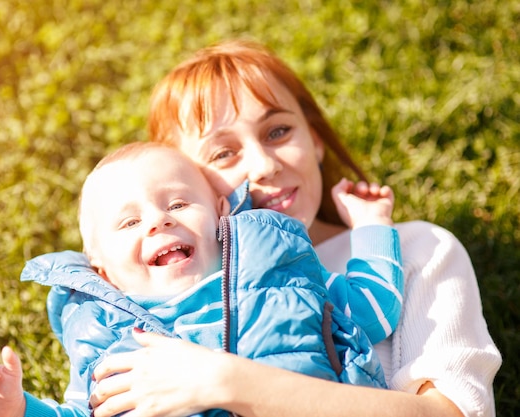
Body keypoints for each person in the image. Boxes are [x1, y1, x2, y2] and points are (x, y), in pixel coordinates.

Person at [87, 40, 502, 417]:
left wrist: (224, 382)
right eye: (224, 153)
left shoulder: (416, 250)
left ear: (315, 139)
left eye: (278, 131)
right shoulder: (153, 291)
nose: (265, 165)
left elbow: (452, 414)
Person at [0, 141, 403, 417]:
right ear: (99, 266)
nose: (157, 223)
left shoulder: (280, 267)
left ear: (222, 212)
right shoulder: (101, 332)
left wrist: (371, 225)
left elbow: (373, 312)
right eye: (128, 224)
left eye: (179, 204)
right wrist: (20, 410)